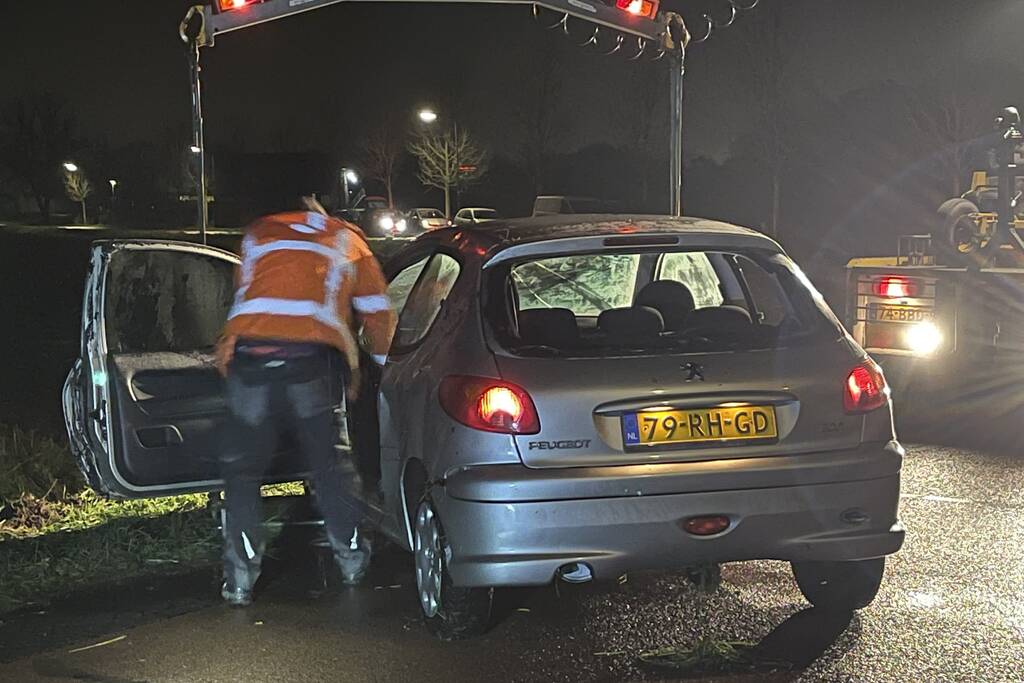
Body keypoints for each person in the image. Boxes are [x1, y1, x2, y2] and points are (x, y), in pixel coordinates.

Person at [215, 195, 395, 606]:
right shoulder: (345, 238)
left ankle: (240, 580)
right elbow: (376, 311)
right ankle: (351, 559)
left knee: (242, 471)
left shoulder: (259, 232)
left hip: (251, 358)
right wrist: (386, 370)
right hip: (309, 362)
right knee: (329, 465)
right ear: (328, 213)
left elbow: (246, 297)